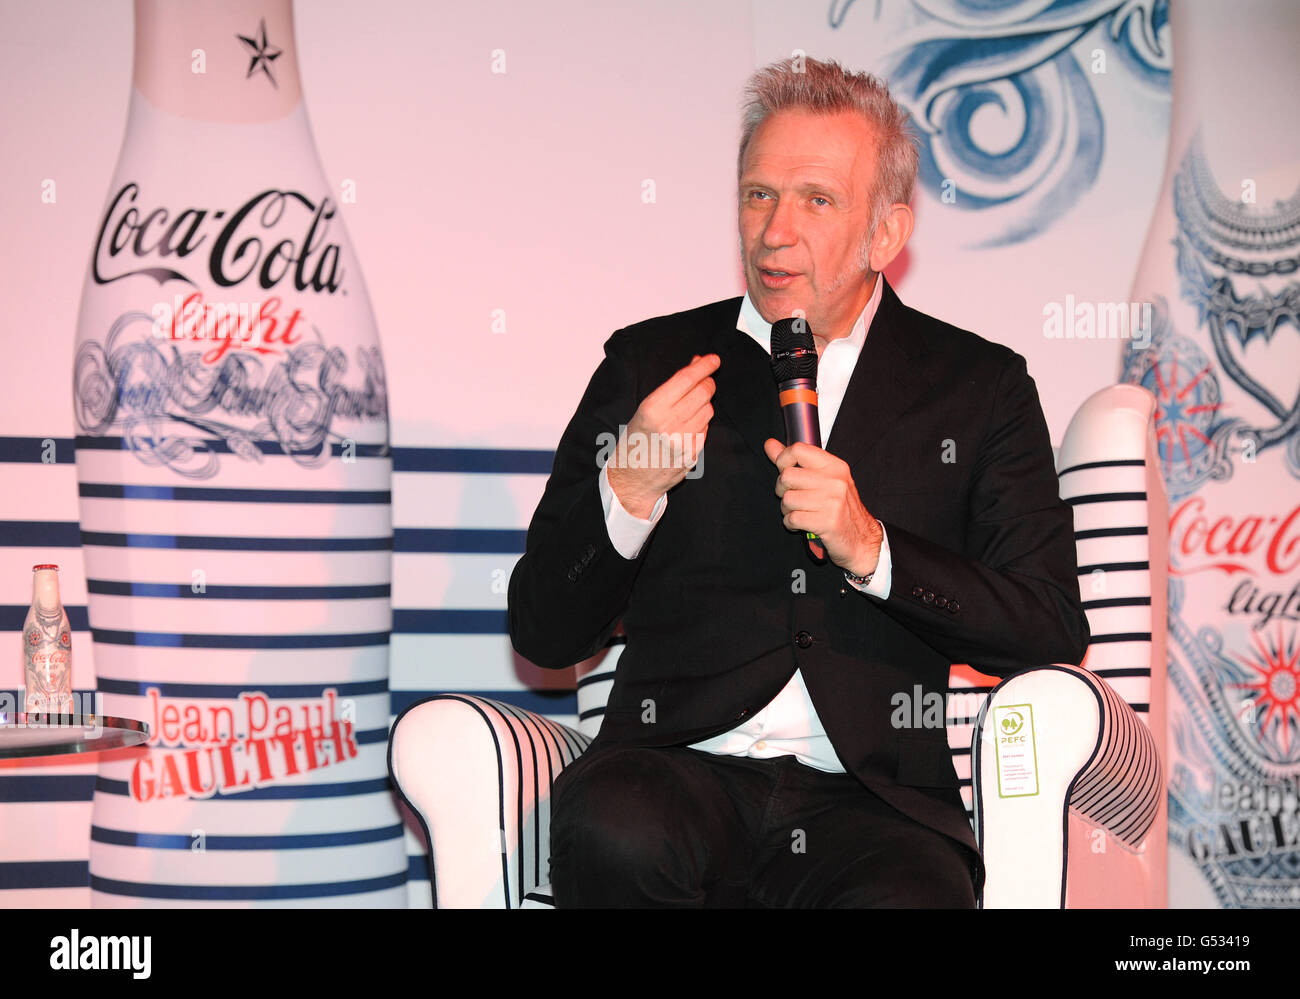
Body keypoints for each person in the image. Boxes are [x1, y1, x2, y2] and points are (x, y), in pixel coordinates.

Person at [507, 58, 1089, 908]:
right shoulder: (649, 363)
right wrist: (625, 493)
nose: (775, 232)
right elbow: (543, 631)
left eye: (817, 200)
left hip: (877, 804)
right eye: (757, 195)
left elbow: (1048, 627)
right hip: (675, 774)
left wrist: (876, 551)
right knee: (614, 829)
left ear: (885, 233)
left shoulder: (980, 386)